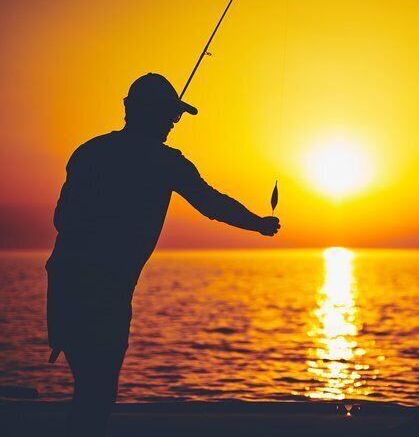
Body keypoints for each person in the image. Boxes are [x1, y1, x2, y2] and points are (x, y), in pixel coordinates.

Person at [45, 73, 281, 436]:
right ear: (140, 111)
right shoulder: (166, 161)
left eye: (176, 116)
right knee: (98, 392)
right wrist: (259, 224)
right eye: (169, 114)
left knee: (88, 387)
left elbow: (63, 219)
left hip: (63, 283)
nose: (173, 123)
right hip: (104, 291)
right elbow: (211, 203)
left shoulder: (88, 152)